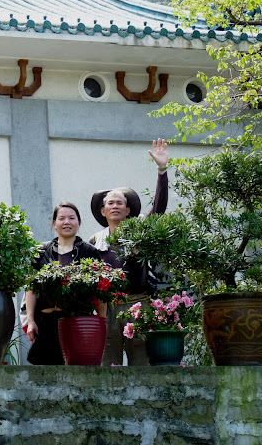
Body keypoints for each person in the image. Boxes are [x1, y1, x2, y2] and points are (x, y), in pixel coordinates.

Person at [89, 138, 169, 366]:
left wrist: (162, 170)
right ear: (103, 211)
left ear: (128, 210)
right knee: (107, 365)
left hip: (138, 305)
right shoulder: (94, 242)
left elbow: (159, 209)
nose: (115, 206)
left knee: (142, 363)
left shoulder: (139, 232)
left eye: (120, 203)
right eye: (110, 203)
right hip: (106, 308)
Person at [25, 202, 101, 365]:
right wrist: (30, 321)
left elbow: (100, 292)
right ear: (54, 223)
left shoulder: (89, 252)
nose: (67, 222)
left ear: (78, 222)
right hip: (45, 323)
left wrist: (101, 323)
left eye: (72, 218)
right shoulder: (41, 252)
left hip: (77, 323)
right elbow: (31, 288)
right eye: (62, 218)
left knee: (77, 369)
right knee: (46, 371)